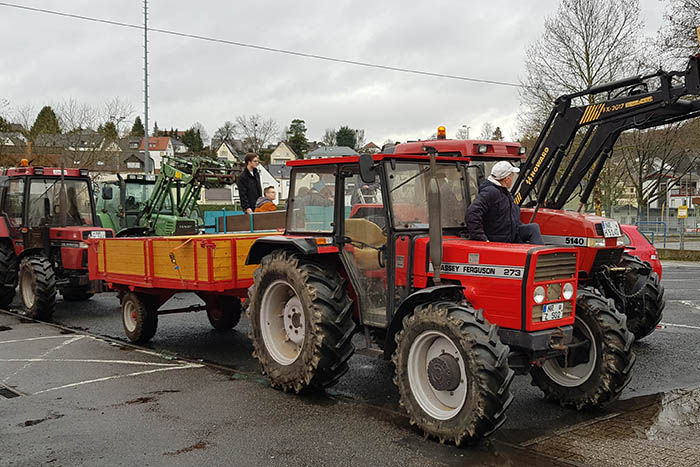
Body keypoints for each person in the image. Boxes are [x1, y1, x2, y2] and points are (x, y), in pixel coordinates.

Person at [465, 161, 543, 244]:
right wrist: (482, 239)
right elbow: (471, 214)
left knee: (533, 228)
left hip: (510, 234)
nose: (513, 179)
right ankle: (540, 256)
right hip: (500, 239)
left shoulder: (505, 193)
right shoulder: (491, 192)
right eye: (512, 176)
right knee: (533, 230)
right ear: (506, 179)